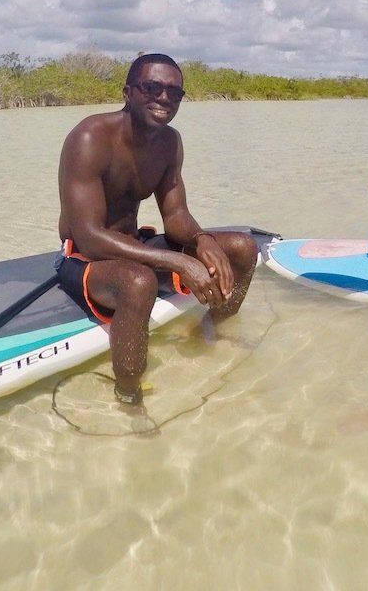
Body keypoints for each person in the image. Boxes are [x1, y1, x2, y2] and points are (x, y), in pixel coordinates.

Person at [56, 53, 259, 433]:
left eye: (174, 92)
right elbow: (87, 236)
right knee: (139, 282)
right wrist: (180, 263)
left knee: (243, 248)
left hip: (134, 243)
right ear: (128, 93)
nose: (164, 98)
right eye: (152, 87)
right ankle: (129, 395)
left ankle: (210, 330)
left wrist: (201, 241)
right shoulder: (89, 138)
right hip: (84, 256)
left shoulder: (170, 143)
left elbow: (176, 216)